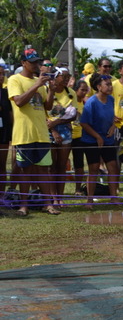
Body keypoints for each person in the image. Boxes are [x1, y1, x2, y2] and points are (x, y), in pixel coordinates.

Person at [8, 48, 59, 216]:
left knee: (44, 170)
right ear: (23, 63)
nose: (36, 65)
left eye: (37, 61)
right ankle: (24, 206)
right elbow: (19, 101)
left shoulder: (40, 82)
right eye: (32, 62)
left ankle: (47, 204)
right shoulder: (15, 79)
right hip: (24, 133)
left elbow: (47, 107)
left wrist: (51, 90)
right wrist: (37, 85)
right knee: (25, 170)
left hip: (41, 133)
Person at [80, 73, 120, 208]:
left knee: (113, 167)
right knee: (94, 168)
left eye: (111, 84)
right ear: (98, 86)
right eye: (107, 85)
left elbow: (112, 117)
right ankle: (89, 200)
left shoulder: (111, 99)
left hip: (107, 139)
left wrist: (113, 127)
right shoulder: (91, 102)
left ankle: (114, 197)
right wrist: (97, 136)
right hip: (91, 140)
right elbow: (84, 123)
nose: (110, 87)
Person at [47, 67, 78, 207]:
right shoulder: (47, 90)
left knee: (62, 165)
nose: (67, 79)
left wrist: (58, 122)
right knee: (51, 166)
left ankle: (60, 197)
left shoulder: (71, 93)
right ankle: (53, 197)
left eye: (68, 76)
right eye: (63, 76)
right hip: (49, 129)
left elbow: (74, 115)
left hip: (65, 128)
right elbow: (42, 112)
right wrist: (53, 129)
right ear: (55, 77)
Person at [70, 80, 89, 196]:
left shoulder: (86, 104)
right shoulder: (70, 101)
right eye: (82, 90)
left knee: (79, 164)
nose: (84, 92)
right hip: (67, 136)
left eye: (86, 90)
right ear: (75, 90)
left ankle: (78, 189)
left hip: (80, 137)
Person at [0, 65, 13, 199]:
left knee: (2, 165)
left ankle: (1, 196)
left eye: (3, 74)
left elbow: (10, 114)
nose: (1, 77)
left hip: (3, 132)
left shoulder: (6, 93)